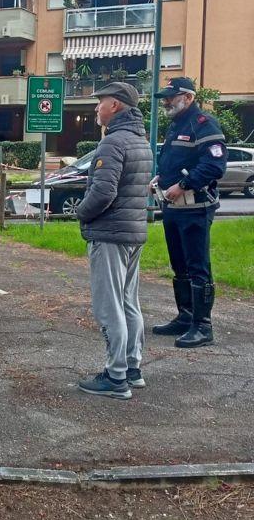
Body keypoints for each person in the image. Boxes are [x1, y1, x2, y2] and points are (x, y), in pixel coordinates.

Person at [74, 83, 152, 399]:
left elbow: (103, 193)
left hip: (109, 234)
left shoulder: (112, 143)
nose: (96, 108)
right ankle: (132, 369)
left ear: (116, 106)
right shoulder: (140, 141)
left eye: (100, 102)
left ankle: (115, 376)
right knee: (129, 301)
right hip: (133, 232)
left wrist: (80, 212)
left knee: (109, 306)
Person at [149, 76, 227, 348]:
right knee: (179, 265)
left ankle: (203, 326)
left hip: (195, 208)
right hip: (173, 209)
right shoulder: (176, 126)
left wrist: (182, 185)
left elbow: (214, 166)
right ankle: (186, 316)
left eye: (171, 96)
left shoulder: (204, 125)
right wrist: (160, 178)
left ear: (189, 97)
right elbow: (173, 160)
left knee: (198, 268)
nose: (166, 101)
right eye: (165, 97)